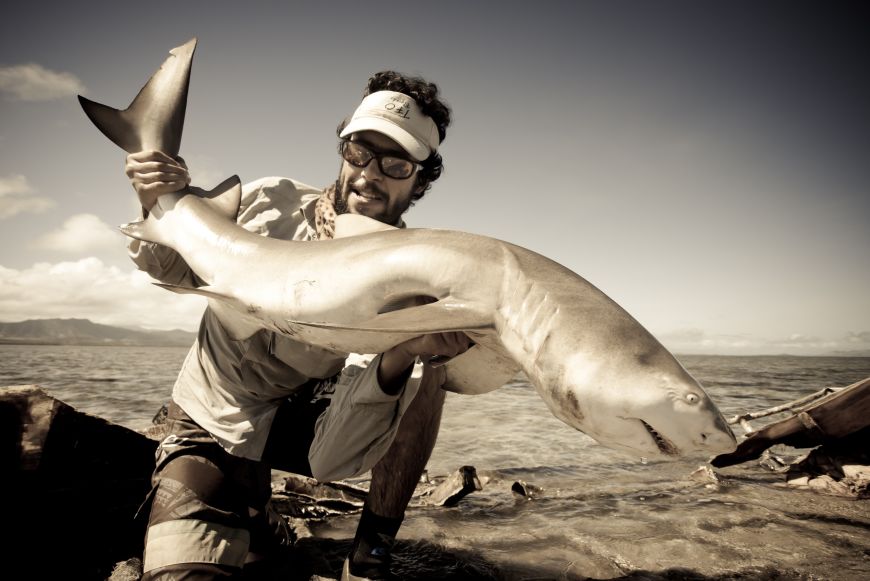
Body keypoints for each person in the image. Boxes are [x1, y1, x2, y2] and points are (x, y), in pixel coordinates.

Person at [124, 71, 467, 580]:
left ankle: (369, 553)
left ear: (420, 179)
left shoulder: (408, 281)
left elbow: (333, 459)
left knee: (426, 372)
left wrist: (401, 351)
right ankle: (259, 517)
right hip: (213, 417)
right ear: (343, 151)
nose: (369, 174)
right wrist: (156, 200)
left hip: (306, 420)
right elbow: (170, 269)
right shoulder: (269, 202)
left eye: (396, 164)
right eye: (359, 152)